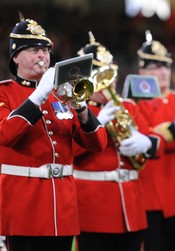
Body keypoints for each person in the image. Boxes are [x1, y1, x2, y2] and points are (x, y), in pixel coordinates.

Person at [0, 15, 107, 251]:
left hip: (62, 209)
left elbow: (98, 143)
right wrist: (38, 95)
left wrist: (81, 108)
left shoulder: (61, 97)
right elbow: (5, 134)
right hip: (24, 209)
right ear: (15, 56)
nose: (43, 56)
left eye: (46, 50)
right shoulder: (4, 93)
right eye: (34, 50)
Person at [72, 32, 165, 251]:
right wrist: (94, 124)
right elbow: (69, 152)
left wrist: (147, 143)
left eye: (110, 75)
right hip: (94, 209)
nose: (109, 83)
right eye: (100, 75)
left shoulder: (128, 107)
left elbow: (157, 141)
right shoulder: (75, 110)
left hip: (131, 207)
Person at [135, 30, 175, 251]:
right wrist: (173, 130)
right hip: (150, 198)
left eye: (165, 65)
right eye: (154, 66)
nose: (162, 72)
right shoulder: (132, 104)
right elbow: (146, 140)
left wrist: (166, 133)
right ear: (141, 70)